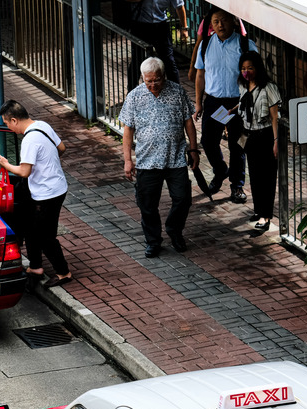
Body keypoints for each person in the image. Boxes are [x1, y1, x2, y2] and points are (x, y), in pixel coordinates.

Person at [119, 57, 199, 258]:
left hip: (175, 158)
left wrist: (193, 149)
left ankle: (174, 229)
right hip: (147, 160)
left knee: (183, 198)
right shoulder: (134, 97)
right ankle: (153, 241)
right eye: (149, 81)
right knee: (147, 204)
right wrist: (128, 160)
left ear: (164, 76)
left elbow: (188, 122)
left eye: (157, 80)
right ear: (142, 78)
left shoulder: (177, 91)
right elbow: (128, 130)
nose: (153, 84)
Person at [0, 100, 73, 288]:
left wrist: (5, 165)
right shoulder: (43, 125)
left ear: (14, 120)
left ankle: (63, 273)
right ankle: (36, 267)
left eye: (7, 124)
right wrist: (47, 165)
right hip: (58, 186)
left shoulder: (29, 140)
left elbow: (24, 172)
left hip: (46, 194)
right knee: (30, 227)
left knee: (45, 235)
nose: (8, 127)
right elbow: (62, 148)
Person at [193, 7, 257, 203]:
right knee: (209, 141)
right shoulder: (205, 45)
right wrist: (198, 103)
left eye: (224, 20)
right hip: (215, 102)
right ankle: (221, 170)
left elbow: (257, 76)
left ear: (234, 21)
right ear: (210, 25)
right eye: (216, 21)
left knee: (238, 145)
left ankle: (237, 187)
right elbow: (200, 74)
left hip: (238, 103)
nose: (220, 25)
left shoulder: (245, 45)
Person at [237, 51, 281, 231]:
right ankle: (259, 210)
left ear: (257, 68)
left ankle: (265, 216)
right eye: (243, 68)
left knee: (267, 177)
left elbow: (274, 117)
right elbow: (244, 104)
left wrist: (276, 140)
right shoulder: (243, 86)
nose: (246, 72)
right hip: (249, 135)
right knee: (254, 175)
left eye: (250, 68)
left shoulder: (268, 88)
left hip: (265, 136)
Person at [126, 0, 189, 91]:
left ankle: (177, 91)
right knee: (137, 58)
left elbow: (179, 6)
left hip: (161, 25)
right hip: (140, 24)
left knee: (168, 60)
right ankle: (131, 91)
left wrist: (184, 28)